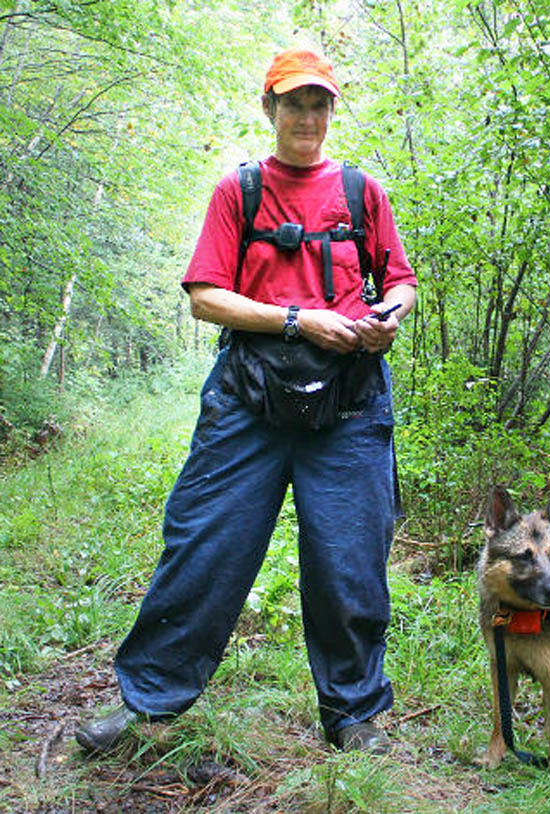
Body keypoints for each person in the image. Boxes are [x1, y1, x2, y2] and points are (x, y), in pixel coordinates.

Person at [76, 46, 417, 756]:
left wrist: (388, 318)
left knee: (348, 566)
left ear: (330, 111)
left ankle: (354, 719)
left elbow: (402, 281)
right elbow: (205, 298)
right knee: (203, 549)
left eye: (318, 103)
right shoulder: (241, 191)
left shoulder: (363, 192)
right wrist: (298, 319)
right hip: (247, 402)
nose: (307, 117)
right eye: (293, 103)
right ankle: (148, 708)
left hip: (350, 408)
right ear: (269, 110)